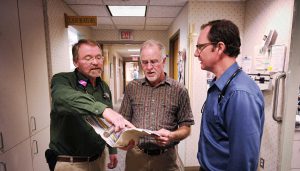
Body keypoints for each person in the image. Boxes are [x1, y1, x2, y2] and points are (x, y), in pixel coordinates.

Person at [47, 39, 134, 171]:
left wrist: (113, 149)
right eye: (88, 58)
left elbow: (107, 123)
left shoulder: (103, 87)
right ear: (76, 62)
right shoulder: (63, 80)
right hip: (71, 163)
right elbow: (62, 98)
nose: (95, 62)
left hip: (98, 159)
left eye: (98, 57)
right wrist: (104, 110)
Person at [194, 19, 265, 171]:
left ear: (219, 47)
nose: (196, 53)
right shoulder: (218, 85)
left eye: (200, 47)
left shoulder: (240, 94)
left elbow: (243, 161)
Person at [119, 39, 195, 171]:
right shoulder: (132, 88)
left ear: (163, 61)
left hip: (166, 159)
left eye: (154, 61)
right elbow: (122, 121)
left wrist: (172, 136)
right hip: (136, 157)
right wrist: (122, 140)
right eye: (145, 62)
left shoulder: (179, 90)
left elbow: (186, 127)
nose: (149, 67)